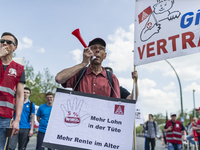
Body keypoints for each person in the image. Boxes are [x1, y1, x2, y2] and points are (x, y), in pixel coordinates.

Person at [55, 38, 120, 98]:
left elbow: (117, 104)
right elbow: (59, 78)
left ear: (105, 56)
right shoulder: (79, 74)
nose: (97, 50)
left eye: (101, 48)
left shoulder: (112, 78)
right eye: (94, 48)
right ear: (88, 52)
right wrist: (83, 63)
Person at [0, 32, 25, 150]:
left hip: (5, 118)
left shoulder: (19, 69)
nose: (4, 43)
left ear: (15, 47)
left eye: (9, 42)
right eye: (2, 41)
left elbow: (20, 96)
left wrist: (17, 120)